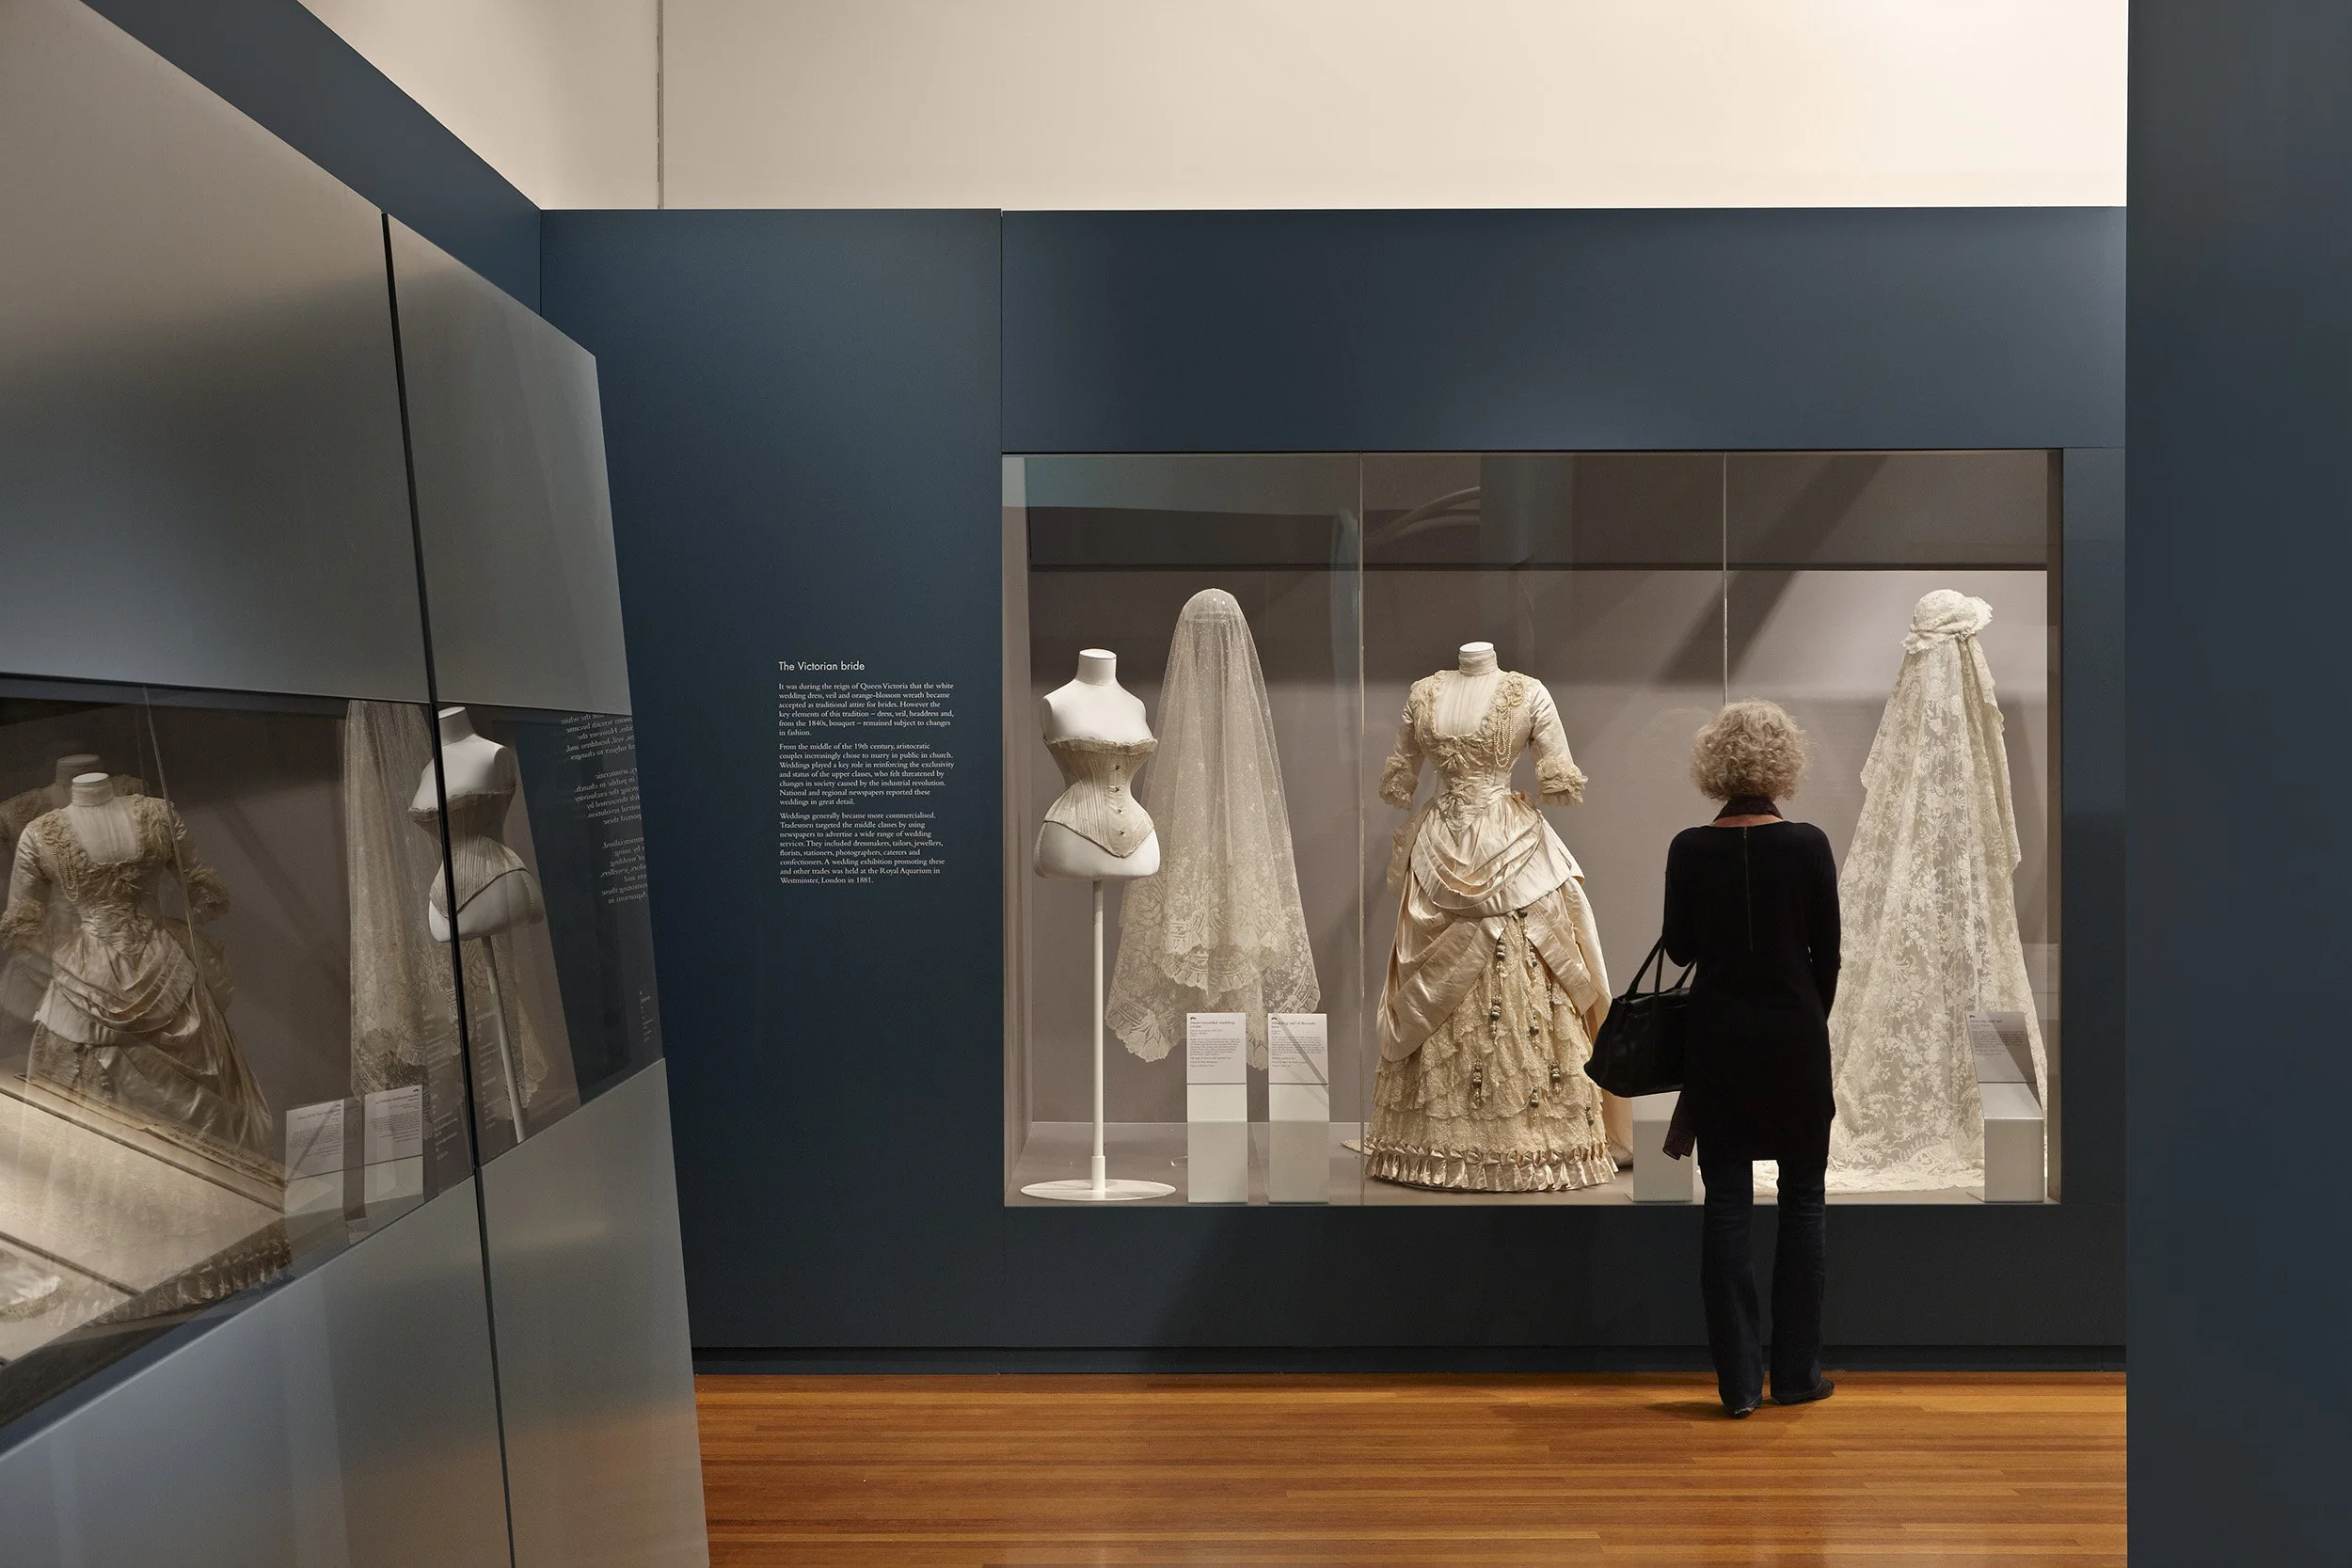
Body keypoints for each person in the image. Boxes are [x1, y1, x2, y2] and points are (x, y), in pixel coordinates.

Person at [1661, 700, 1840, 1418]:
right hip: (1796, 1039)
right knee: (1803, 1203)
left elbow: (1679, 949)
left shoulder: (1688, 847)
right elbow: (1827, 953)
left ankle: (1737, 1384)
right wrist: (1805, 1014)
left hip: (1719, 1043)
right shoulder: (1808, 844)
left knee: (1727, 1204)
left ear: (1714, 765)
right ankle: (1796, 1375)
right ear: (1783, 764)